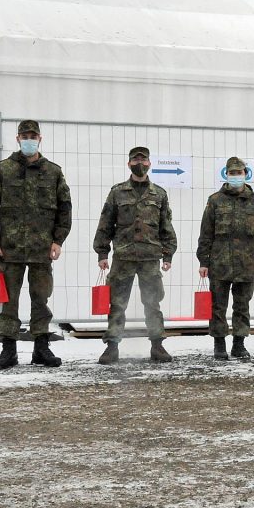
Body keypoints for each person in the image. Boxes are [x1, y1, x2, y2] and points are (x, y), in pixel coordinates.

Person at [0, 120, 72, 370]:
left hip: (42, 250)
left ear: (39, 139)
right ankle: (8, 350)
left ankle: (41, 348)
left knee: (40, 299)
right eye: (25, 136)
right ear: (18, 139)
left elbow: (64, 208)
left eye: (33, 135)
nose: (29, 140)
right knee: (8, 301)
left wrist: (57, 240)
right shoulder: (4, 170)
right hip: (10, 249)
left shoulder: (53, 172)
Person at [93, 147, 177, 365]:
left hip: (150, 257)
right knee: (117, 303)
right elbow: (105, 224)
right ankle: (112, 347)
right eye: (135, 159)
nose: (139, 162)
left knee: (153, 303)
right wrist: (103, 252)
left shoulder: (159, 194)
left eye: (143, 159)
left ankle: (157, 346)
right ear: (129, 164)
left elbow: (166, 226)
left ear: (149, 163)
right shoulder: (117, 192)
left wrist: (168, 254)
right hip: (124, 257)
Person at [197, 156, 254, 361]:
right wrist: (203, 261)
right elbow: (206, 234)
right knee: (218, 306)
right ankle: (219, 344)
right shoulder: (215, 201)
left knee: (242, 305)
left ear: (245, 175)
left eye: (239, 173)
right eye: (232, 173)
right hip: (220, 263)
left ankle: (239, 344)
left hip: (246, 263)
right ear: (226, 175)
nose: (236, 176)